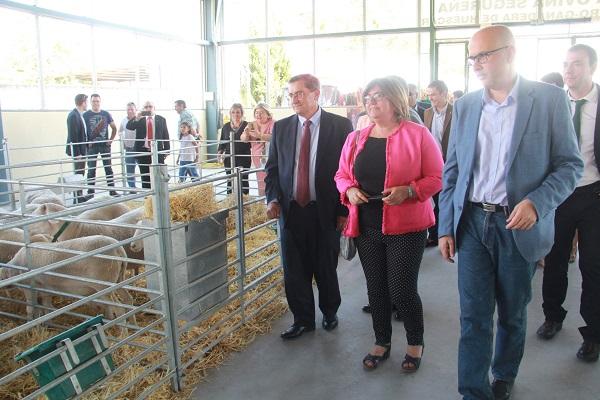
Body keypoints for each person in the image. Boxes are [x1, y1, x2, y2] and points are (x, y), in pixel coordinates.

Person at [438, 25, 583, 400]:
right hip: (471, 222)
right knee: (473, 316)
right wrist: (445, 226)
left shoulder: (548, 100)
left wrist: (537, 201)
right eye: (473, 58)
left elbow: (570, 166)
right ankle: (473, 391)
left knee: (513, 313)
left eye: (484, 55)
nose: (477, 64)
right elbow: (452, 169)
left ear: (511, 53)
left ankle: (503, 373)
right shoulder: (467, 105)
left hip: (517, 225)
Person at [335, 75, 443, 372]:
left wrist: (409, 191)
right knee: (376, 289)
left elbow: (436, 178)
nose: (371, 102)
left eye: (378, 96)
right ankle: (382, 340)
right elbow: (341, 174)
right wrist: (348, 190)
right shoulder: (356, 138)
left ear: (396, 101)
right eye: (367, 97)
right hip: (366, 226)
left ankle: (415, 343)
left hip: (407, 227)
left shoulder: (418, 135)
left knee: (402, 289)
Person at [264, 73, 353, 340]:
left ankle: (329, 312)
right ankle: (302, 319)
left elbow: (348, 171)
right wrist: (272, 198)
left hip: (324, 210)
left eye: (299, 93)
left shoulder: (340, 126)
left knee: (325, 265)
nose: (293, 99)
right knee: (294, 268)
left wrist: (343, 210)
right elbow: (273, 170)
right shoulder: (281, 128)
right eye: (290, 94)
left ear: (316, 94)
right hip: (291, 211)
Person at [537, 44, 600, 363]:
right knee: (555, 259)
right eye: (565, 64)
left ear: (592, 67)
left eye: (577, 64)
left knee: (593, 266)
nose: (569, 70)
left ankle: (593, 333)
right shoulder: (553, 103)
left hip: (594, 194)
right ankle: (552, 316)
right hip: (558, 195)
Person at [424, 79, 453, 247]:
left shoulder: (456, 111)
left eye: (433, 94)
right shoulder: (427, 112)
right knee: (434, 200)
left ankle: (446, 232)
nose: (430, 98)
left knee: (445, 199)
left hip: (448, 162)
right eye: (429, 95)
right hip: (431, 165)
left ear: (444, 93)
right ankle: (435, 235)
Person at [126, 101, 170, 189]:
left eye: (150, 106)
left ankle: (160, 197)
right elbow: (129, 126)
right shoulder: (140, 119)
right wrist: (136, 117)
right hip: (143, 152)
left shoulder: (161, 119)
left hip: (157, 152)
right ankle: (148, 198)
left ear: (154, 108)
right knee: (145, 176)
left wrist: (167, 150)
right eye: (146, 107)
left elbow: (165, 135)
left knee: (159, 175)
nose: (148, 109)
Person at [83, 94, 118, 197]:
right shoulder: (86, 115)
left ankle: (112, 191)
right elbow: (82, 130)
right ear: (90, 102)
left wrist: (111, 140)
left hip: (104, 146)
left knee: (108, 169)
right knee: (91, 170)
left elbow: (114, 128)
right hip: (91, 147)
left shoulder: (106, 114)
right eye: (94, 101)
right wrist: (86, 142)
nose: (96, 103)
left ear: (100, 102)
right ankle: (90, 193)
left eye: (97, 101)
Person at [217, 103, 251, 194]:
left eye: (238, 112)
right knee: (230, 178)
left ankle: (245, 201)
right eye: (233, 112)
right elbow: (222, 141)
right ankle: (230, 201)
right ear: (230, 114)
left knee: (243, 179)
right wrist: (219, 153)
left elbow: (251, 140)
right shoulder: (226, 126)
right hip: (228, 157)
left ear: (242, 113)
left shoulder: (247, 125)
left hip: (244, 156)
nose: (235, 114)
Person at [241, 102, 274, 196]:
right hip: (257, 157)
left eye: (261, 112)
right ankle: (261, 202)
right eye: (256, 112)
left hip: (269, 156)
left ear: (268, 114)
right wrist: (246, 133)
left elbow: (273, 137)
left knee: (270, 178)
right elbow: (243, 139)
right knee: (260, 179)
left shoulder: (273, 123)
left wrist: (259, 135)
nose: (258, 115)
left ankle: (272, 202)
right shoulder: (251, 124)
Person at [66, 93, 89, 203]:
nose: (87, 104)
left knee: (80, 173)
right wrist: (78, 153)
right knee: (78, 173)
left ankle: (79, 195)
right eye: (86, 102)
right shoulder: (73, 116)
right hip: (78, 151)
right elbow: (73, 136)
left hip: (82, 149)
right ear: (83, 102)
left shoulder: (79, 115)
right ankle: (77, 197)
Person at [118, 102, 139, 191]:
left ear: (135, 110)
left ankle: (147, 188)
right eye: (128, 109)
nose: (130, 111)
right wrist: (123, 142)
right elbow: (120, 131)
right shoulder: (124, 120)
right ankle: (132, 189)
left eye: (132, 109)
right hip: (129, 149)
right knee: (130, 170)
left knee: (144, 168)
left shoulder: (139, 120)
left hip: (139, 148)